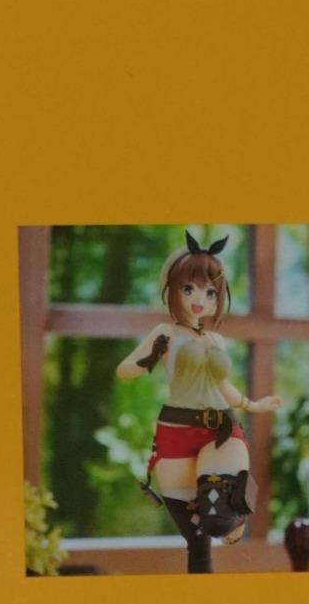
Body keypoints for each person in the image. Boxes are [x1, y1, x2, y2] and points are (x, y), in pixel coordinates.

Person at [115, 233, 280, 559]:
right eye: (188, 288)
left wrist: (252, 405)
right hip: (176, 429)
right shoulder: (165, 333)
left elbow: (223, 386)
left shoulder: (217, 340)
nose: (198, 299)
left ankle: (233, 515)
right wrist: (152, 357)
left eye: (210, 292)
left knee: (217, 518)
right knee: (198, 542)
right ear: (172, 289)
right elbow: (124, 370)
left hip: (220, 429)